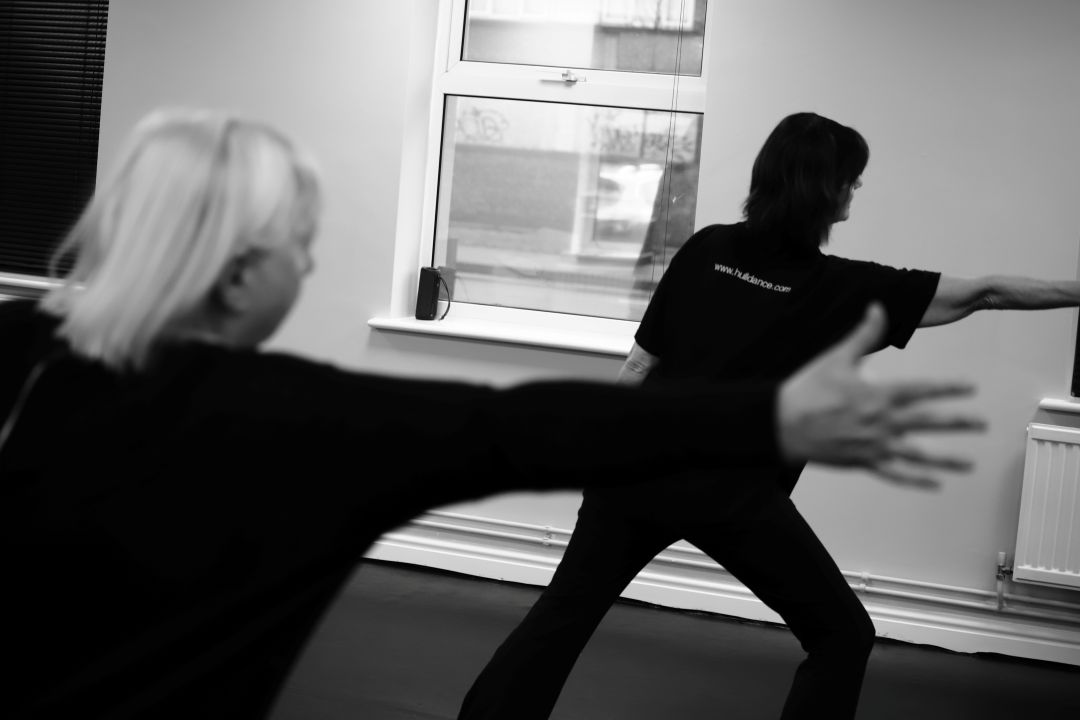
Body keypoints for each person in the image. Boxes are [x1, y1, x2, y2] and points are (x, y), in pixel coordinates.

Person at [1, 108, 981, 719]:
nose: (310, 267)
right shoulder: (304, 420)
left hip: (675, 481)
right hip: (709, 475)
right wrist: (765, 422)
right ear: (242, 271)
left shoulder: (19, 357)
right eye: (303, 244)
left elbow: (558, 413)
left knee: (566, 612)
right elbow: (515, 426)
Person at [456, 112, 1080, 720]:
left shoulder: (707, 248)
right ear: (823, 187)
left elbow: (641, 367)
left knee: (560, 617)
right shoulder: (842, 287)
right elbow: (987, 292)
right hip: (732, 496)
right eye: (851, 179)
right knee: (841, 634)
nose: (856, 190)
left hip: (634, 472)